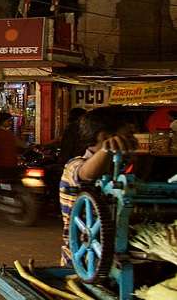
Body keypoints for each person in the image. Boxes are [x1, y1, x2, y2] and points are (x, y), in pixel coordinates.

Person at [59, 106, 137, 267]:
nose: (133, 139)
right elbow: (86, 174)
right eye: (128, 135)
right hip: (83, 261)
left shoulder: (118, 169)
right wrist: (107, 149)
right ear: (105, 136)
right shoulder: (74, 165)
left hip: (110, 259)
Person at [0, 113, 25, 179]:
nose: (10, 123)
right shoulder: (10, 134)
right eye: (8, 121)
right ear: (2, 122)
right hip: (11, 167)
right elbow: (23, 146)